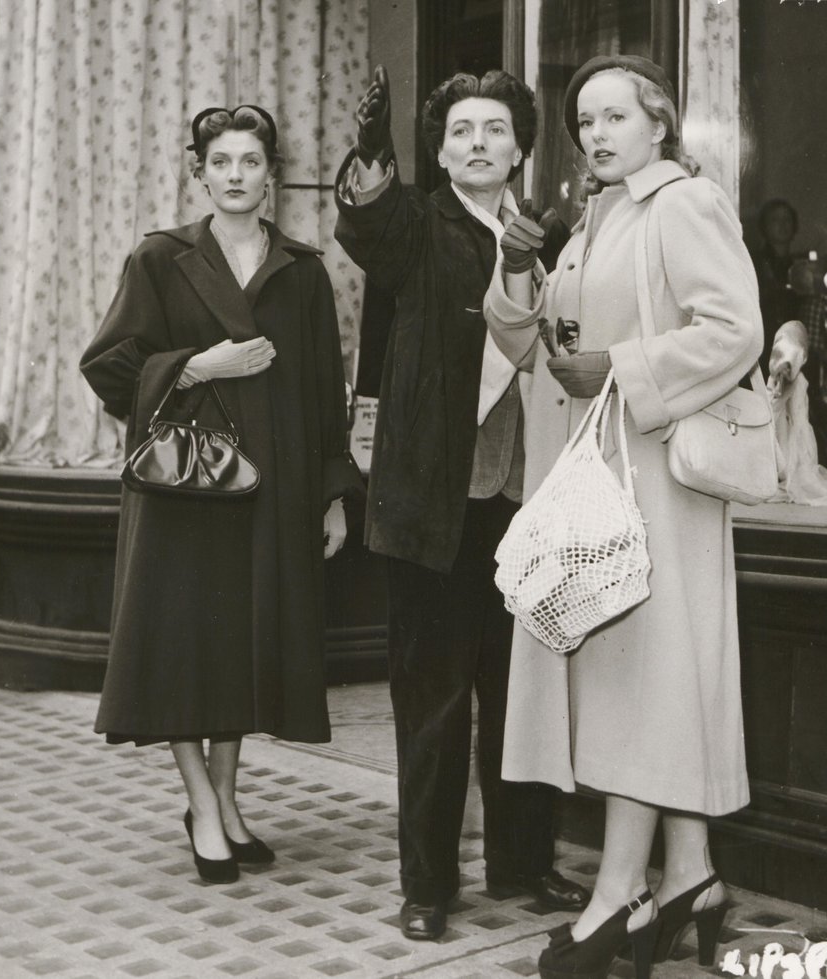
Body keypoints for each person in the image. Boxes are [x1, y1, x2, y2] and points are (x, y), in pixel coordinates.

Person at [484, 55, 757, 979]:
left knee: (644, 692)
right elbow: (533, 346)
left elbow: (734, 329)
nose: (595, 134)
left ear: (658, 122)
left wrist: (624, 369)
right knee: (647, 690)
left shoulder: (682, 204)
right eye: (584, 122)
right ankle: (690, 877)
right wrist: (519, 270)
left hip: (661, 485)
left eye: (613, 117)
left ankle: (619, 896)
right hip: (601, 485)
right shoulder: (597, 217)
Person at [333, 66, 588, 941]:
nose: (478, 143)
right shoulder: (417, 224)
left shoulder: (551, 236)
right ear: (439, 153)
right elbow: (368, 218)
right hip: (434, 505)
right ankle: (428, 884)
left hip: (531, 502)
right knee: (435, 703)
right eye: (460, 133)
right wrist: (371, 147)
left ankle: (522, 863)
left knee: (522, 692)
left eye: (494, 130)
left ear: (520, 146)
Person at [80, 105, 361, 884]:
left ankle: (230, 800)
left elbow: (323, 392)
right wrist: (200, 366)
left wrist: (334, 495)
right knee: (181, 650)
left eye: (250, 162)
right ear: (197, 171)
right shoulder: (161, 258)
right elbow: (107, 363)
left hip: (271, 488)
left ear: (271, 175)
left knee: (241, 647)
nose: (236, 175)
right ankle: (202, 802)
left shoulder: (303, 269)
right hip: (182, 486)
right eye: (222, 162)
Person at [750, 198, 802, 367]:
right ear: (764, 227)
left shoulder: (800, 266)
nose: (783, 225)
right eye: (775, 220)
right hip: (763, 348)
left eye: (787, 219)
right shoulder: (755, 263)